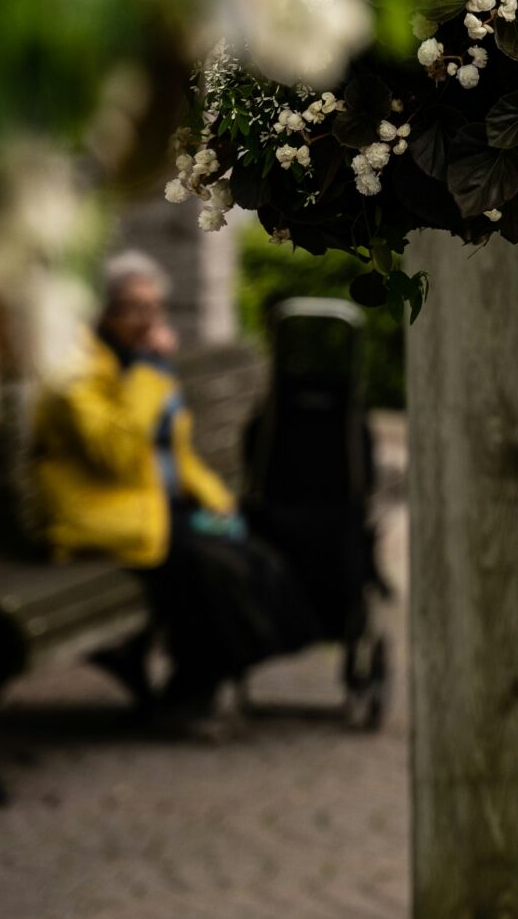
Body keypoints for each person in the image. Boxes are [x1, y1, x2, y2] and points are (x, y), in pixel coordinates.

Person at [32, 251, 316, 720]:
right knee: (208, 567)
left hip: (152, 509)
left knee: (247, 545)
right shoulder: (75, 372)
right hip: (99, 518)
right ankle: (195, 683)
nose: (147, 320)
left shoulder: (139, 366)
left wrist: (215, 498)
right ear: (102, 311)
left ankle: (206, 675)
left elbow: (174, 451)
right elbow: (117, 457)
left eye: (154, 308)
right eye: (133, 308)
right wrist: (148, 372)